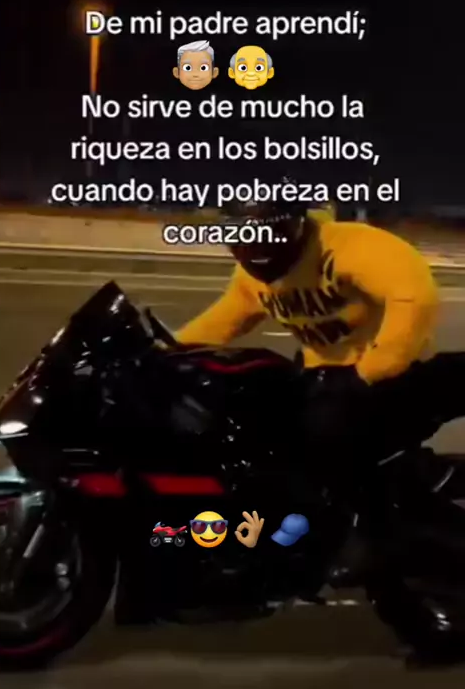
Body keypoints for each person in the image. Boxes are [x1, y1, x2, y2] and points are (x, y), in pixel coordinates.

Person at [175, 201, 445, 584]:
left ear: (297, 226)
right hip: (327, 373)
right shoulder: (252, 277)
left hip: (393, 371)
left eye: (269, 235)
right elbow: (224, 320)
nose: (257, 248)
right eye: (244, 238)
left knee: (326, 432)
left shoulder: (350, 246)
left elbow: (413, 298)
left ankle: (372, 531)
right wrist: (162, 351)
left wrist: (371, 371)